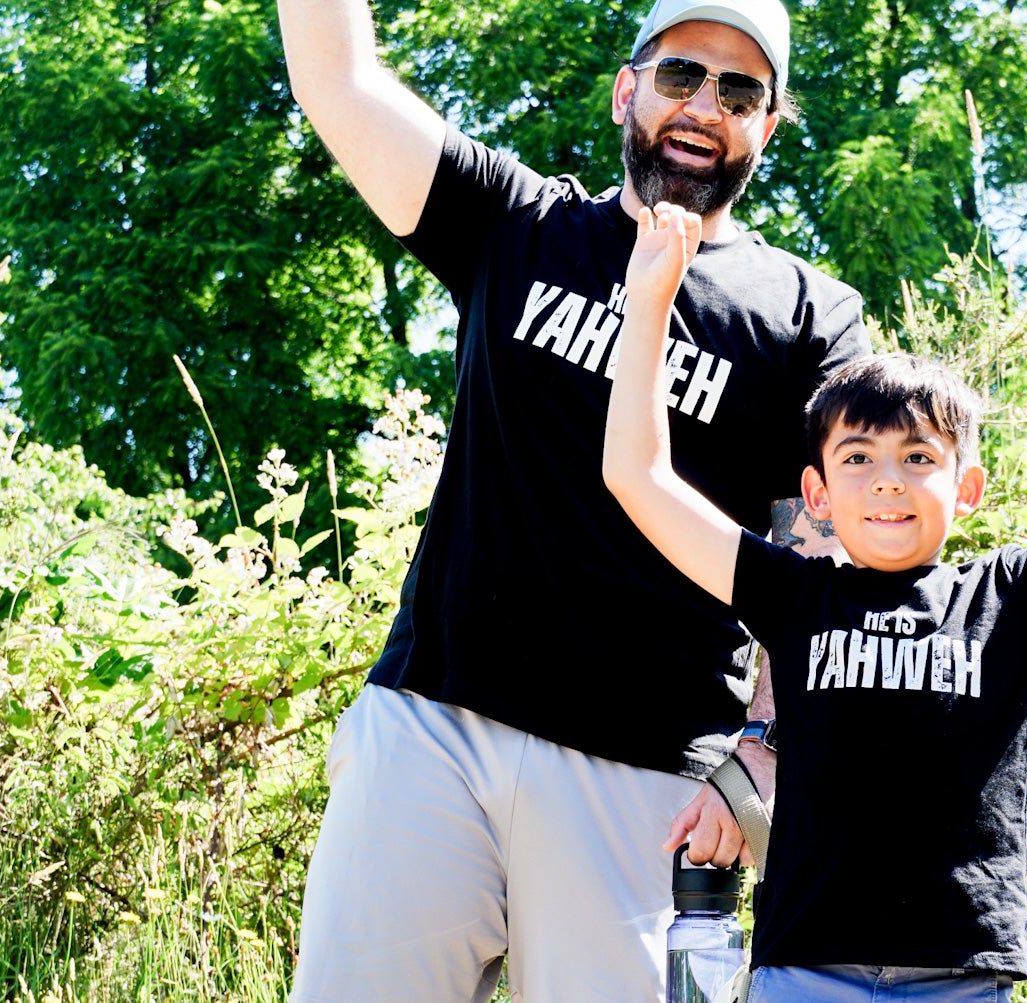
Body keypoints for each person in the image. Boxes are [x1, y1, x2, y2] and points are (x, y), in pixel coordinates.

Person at [275, 0, 870, 998]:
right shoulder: (515, 225)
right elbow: (339, 84)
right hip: (434, 728)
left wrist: (764, 749)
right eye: (680, 74)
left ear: (765, 127)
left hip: (645, 776)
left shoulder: (806, 316)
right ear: (624, 90)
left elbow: (826, 558)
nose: (703, 106)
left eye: (739, 91)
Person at [603, 202, 1027, 1001]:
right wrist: (650, 300)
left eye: (918, 455)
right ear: (816, 493)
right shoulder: (791, 592)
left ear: (965, 487)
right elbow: (637, 476)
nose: (888, 478)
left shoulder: (1014, 596)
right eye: (858, 456)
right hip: (805, 971)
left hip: (963, 978)